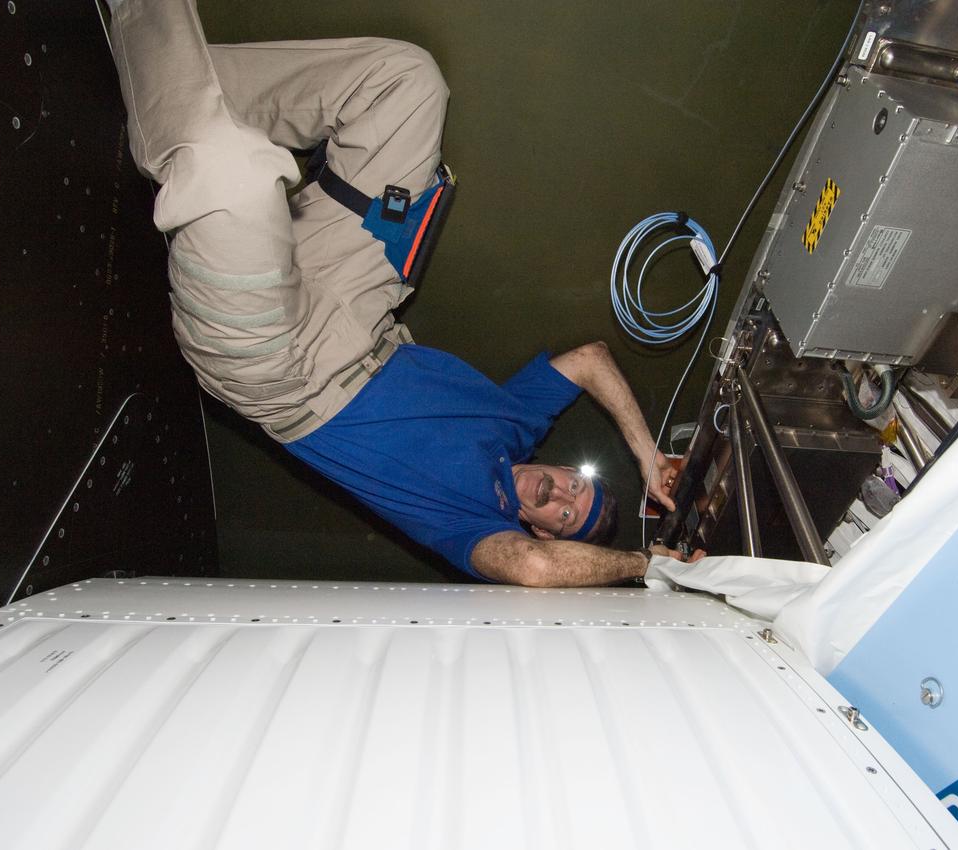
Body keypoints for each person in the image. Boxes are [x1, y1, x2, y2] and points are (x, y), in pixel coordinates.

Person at [105, 0, 701, 586]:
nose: (560, 494)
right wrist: (648, 460)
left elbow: (534, 569)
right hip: (359, 288)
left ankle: (177, 104)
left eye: (565, 516)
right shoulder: (517, 419)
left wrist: (649, 566)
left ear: (541, 530)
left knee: (228, 172)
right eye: (576, 485)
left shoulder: (472, 526)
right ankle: (171, 93)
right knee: (407, 82)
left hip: (283, 368)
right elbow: (592, 360)